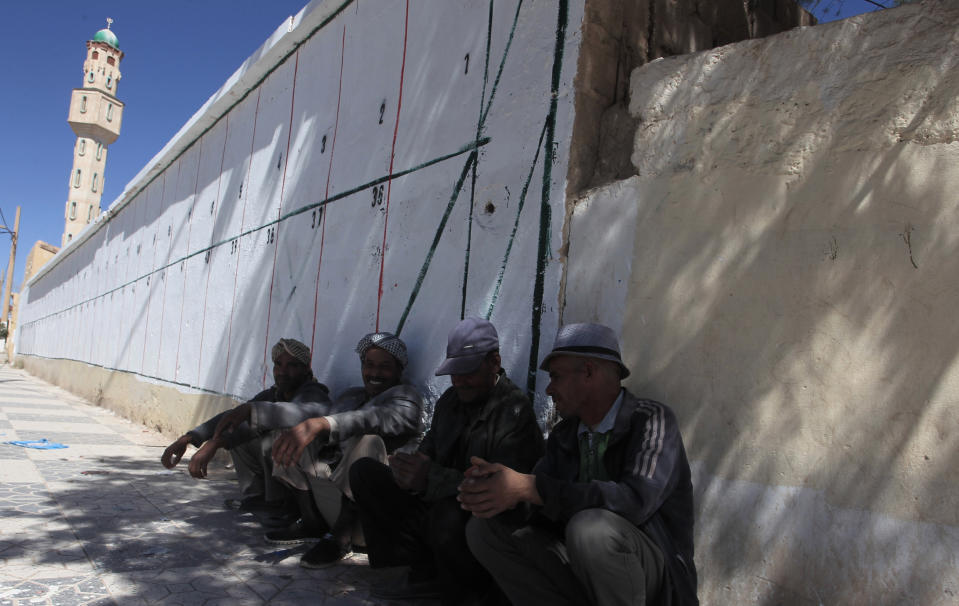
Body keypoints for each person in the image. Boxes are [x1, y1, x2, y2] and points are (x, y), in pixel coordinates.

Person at [460, 323, 698, 606]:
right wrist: (502, 493)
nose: (549, 389)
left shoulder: (651, 420)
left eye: (556, 377)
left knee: (590, 529)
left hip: (654, 581)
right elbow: (540, 503)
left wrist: (530, 487)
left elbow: (635, 502)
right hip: (582, 563)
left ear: (588, 372)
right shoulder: (566, 434)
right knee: (483, 530)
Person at [349, 317, 544, 606]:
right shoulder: (451, 399)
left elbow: (497, 490)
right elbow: (430, 447)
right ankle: (416, 574)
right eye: (455, 372)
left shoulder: (513, 411)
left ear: (494, 362)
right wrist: (410, 468)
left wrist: (430, 478)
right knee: (365, 472)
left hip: (475, 525)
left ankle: (466, 593)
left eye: (468, 372)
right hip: (436, 511)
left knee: (450, 511)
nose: (459, 380)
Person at [238, 331, 425, 568]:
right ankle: (311, 522)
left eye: (385, 367)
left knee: (368, 441)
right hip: (333, 499)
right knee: (294, 436)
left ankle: (341, 539)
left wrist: (326, 424)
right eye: (369, 365)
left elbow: (374, 419)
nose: (375, 373)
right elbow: (322, 435)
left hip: (371, 515)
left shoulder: (407, 397)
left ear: (399, 370)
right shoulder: (351, 396)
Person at [160, 338, 331, 518]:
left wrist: (221, 438)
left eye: (292, 365)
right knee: (239, 435)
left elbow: (291, 414)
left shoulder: (313, 393)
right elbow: (234, 417)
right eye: (278, 364)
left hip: (315, 474)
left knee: (275, 438)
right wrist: (191, 438)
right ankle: (259, 496)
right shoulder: (275, 393)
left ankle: (286, 505)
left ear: (305, 369)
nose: (282, 372)